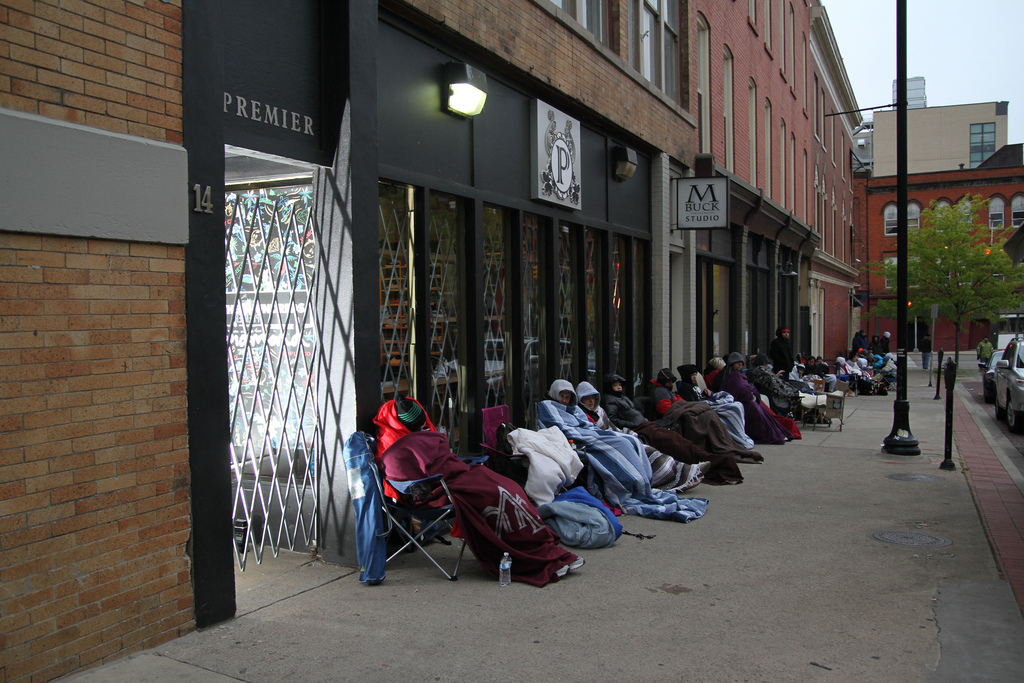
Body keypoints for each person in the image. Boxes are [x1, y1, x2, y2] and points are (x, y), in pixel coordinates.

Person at [600, 373, 754, 484]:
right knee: (674, 443)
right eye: (615, 385)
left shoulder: (623, 398)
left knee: (680, 441)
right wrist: (635, 425)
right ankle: (704, 463)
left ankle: (709, 460)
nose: (619, 387)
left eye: (620, 385)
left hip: (648, 425)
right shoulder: (609, 400)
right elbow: (613, 420)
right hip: (641, 430)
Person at [718, 352, 799, 444]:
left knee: (760, 408)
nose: (740, 365)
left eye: (741, 363)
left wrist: (752, 392)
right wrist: (749, 393)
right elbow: (733, 391)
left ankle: (775, 432)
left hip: (748, 400)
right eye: (737, 363)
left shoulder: (741, 375)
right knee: (754, 408)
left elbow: (747, 386)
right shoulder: (730, 376)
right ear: (732, 364)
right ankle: (765, 433)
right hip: (739, 402)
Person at [676, 363, 756, 450]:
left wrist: (707, 394)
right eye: (692, 375)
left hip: (706, 403)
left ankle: (740, 435)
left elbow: (699, 396)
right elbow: (694, 403)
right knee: (733, 409)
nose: (695, 377)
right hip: (703, 408)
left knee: (738, 405)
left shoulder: (693, 386)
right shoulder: (686, 388)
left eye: (695, 375)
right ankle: (738, 437)